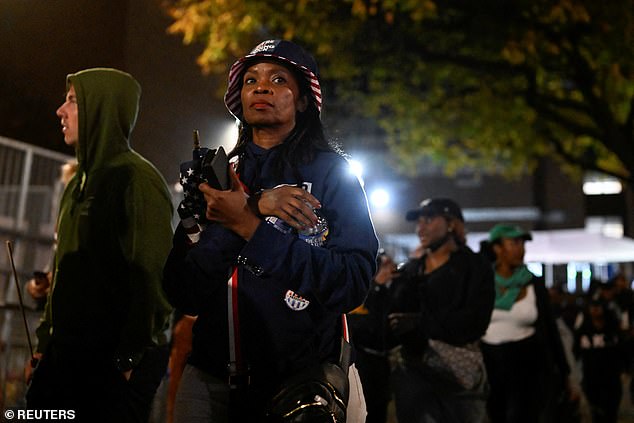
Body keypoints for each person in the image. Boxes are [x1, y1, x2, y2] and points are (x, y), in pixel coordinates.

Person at [162, 39, 378, 422]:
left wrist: (250, 226)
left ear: (302, 100)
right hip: (210, 381)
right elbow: (183, 292)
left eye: (279, 79)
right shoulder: (219, 176)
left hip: (301, 385)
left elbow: (352, 282)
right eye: (250, 80)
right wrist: (251, 210)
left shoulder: (334, 176)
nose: (261, 87)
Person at [26, 68, 174, 423]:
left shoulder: (136, 179)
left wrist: (128, 359)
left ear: (102, 109)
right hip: (66, 357)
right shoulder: (78, 184)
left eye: (74, 102)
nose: (60, 110)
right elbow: (63, 275)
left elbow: (151, 276)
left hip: (112, 364)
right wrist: (45, 347)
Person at [388, 198, 495, 423]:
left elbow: (475, 322)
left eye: (428, 219)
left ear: (451, 224)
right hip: (413, 374)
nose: (420, 227)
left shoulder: (474, 266)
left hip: (457, 374)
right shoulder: (411, 270)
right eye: (418, 221)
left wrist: (420, 323)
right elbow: (392, 316)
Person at [480, 223, 571, 423]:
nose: (521, 248)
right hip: (491, 364)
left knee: (522, 416)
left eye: (522, 243)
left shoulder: (533, 282)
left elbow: (549, 328)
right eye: (514, 243)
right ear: (497, 248)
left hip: (528, 363)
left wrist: (564, 372)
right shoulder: (483, 282)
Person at [347, 250, 400, 423]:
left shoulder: (391, 289)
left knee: (380, 408)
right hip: (363, 361)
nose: (387, 269)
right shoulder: (362, 290)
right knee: (366, 410)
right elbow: (362, 323)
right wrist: (376, 285)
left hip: (383, 361)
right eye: (382, 265)